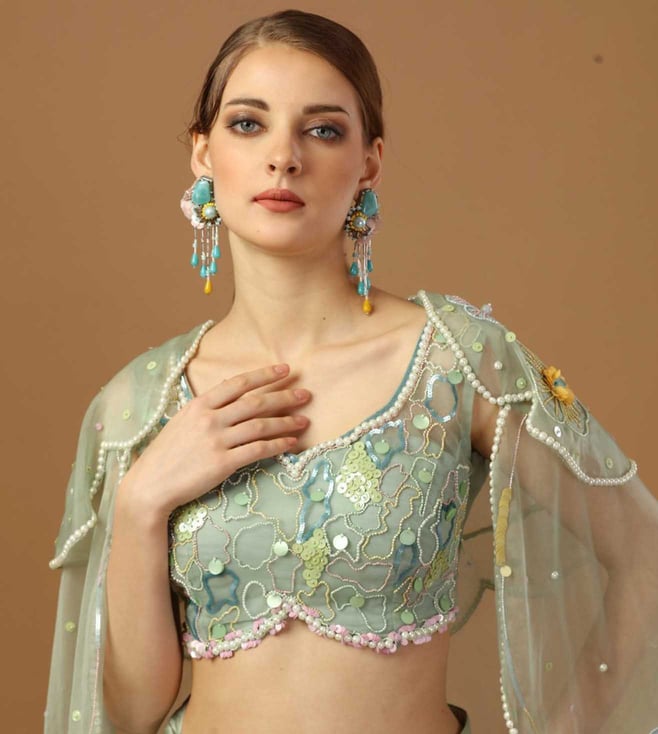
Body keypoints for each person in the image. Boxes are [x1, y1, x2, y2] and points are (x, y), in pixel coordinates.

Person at [45, 9, 658, 734]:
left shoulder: (457, 359)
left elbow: (643, 553)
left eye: (323, 129)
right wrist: (141, 504)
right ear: (203, 153)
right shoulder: (140, 404)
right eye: (249, 124)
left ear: (370, 161)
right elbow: (127, 712)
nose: (283, 157)